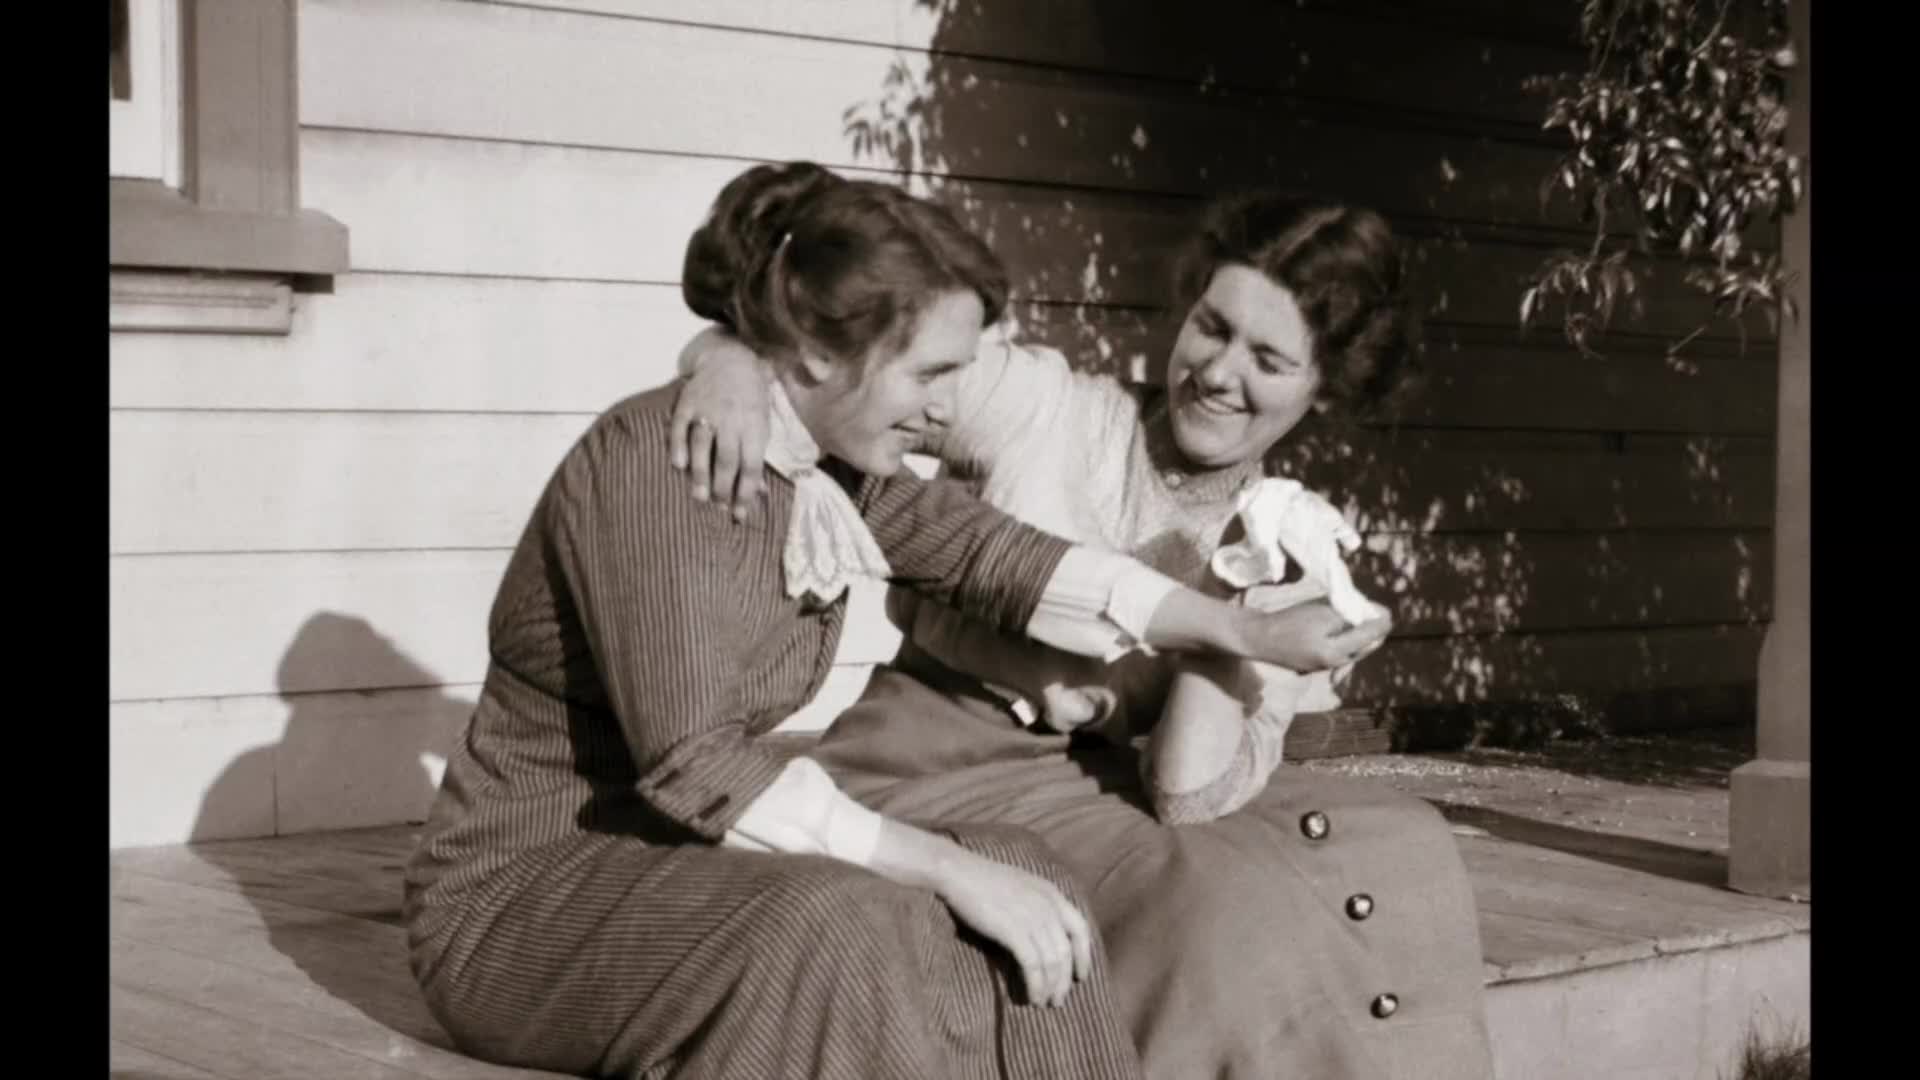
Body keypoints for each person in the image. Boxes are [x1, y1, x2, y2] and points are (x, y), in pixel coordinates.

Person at [402, 161, 1395, 1080]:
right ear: (818, 350)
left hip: (677, 864)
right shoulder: (663, 468)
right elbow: (696, 767)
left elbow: (1004, 559)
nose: (941, 412)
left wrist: (1245, 636)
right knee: (848, 922)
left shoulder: (838, 474)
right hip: (523, 903)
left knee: (1023, 871)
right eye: (927, 377)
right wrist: (943, 867)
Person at [668, 187, 1497, 1078]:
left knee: (1375, 872)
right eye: (1211, 327)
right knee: (1226, 913)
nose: (1219, 373)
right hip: (918, 762)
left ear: (1325, 388)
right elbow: (813, 351)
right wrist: (725, 365)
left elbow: (1183, 791)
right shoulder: (1046, 406)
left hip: (1091, 796)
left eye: (1269, 358)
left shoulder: (1294, 551)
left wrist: (1238, 599)